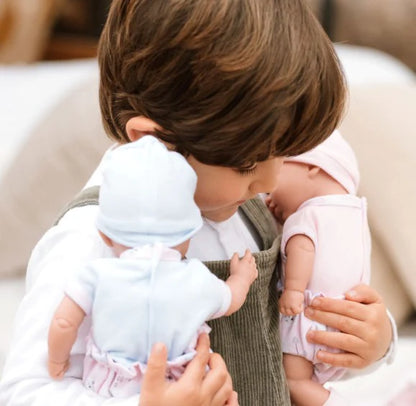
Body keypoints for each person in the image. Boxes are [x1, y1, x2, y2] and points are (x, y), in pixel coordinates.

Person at [0, 1, 395, 405]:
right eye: (247, 164)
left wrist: (373, 343)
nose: (271, 180)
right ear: (151, 140)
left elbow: (290, 340)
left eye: (283, 154)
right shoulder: (91, 238)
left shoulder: (251, 209)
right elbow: (26, 392)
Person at [47, 136, 258, 399]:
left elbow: (64, 322)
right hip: (181, 385)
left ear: (105, 235)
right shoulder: (196, 278)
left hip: (108, 384)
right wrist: (242, 276)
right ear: (189, 235)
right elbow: (232, 299)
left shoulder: (97, 274)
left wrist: (57, 361)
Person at [266, 132, 371, 406]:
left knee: (295, 382)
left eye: (277, 167)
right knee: (315, 381)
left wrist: (293, 289)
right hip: (346, 325)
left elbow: (302, 248)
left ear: (313, 167)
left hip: (308, 317)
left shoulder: (307, 215)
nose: (267, 191)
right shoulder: (355, 213)